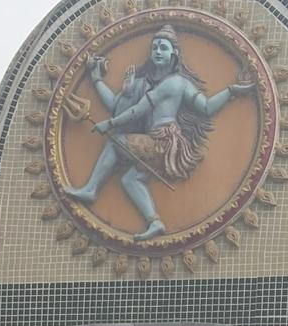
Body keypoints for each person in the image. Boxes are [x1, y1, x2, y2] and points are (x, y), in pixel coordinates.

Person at [68, 26, 256, 238]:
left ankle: (91, 189)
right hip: (154, 143)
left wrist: (231, 90)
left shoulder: (175, 83)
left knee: (115, 142)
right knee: (130, 179)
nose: (157, 51)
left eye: (163, 48)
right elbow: (114, 104)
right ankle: (154, 222)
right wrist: (99, 80)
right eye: (154, 47)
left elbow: (205, 108)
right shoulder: (142, 83)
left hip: (163, 142)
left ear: (174, 55)